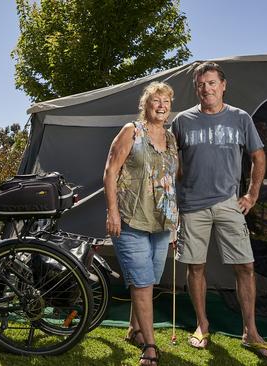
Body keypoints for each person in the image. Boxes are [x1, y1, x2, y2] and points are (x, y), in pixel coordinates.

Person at [171, 62, 267, 362]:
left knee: (245, 266)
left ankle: (251, 332)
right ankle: (202, 324)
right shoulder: (182, 121)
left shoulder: (240, 118)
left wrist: (252, 195)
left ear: (223, 85)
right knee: (195, 267)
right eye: (201, 84)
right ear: (197, 88)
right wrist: (173, 199)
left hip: (228, 203)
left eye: (211, 83)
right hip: (192, 206)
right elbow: (170, 161)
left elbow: (258, 156)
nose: (206, 88)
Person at [104, 81, 178, 365]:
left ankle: (134, 328)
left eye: (166, 102)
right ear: (146, 105)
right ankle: (150, 345)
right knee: (143, 282)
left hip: (161, 223)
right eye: (156, 101)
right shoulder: (131, 132)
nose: (161, 106)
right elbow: (110, 172)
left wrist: (174, 224)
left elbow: (171, 182)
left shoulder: (171, 140)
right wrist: (112, 212)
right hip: (130, 219)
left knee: (148, 280)